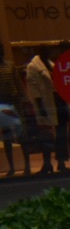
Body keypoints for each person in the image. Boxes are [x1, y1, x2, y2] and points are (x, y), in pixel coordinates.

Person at [0, 44, 30, 176]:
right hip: (1, 103)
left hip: (15, 102)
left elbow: (19, 84)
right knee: (6, 137)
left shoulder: (10, 66)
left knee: (21, 135)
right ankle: (11, 167)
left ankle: (27, 165)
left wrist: (26, 101)